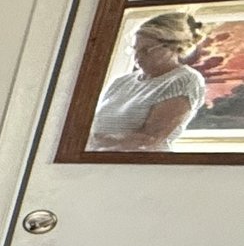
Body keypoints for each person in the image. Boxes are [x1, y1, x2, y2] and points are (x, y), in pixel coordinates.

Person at [89, 10, 208, 149]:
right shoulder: (120, 82)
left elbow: (147, 140)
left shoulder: (183, 80)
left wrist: (96, 140)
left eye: (147, 50)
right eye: (135, 49)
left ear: (175, 48)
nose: (137, 57)